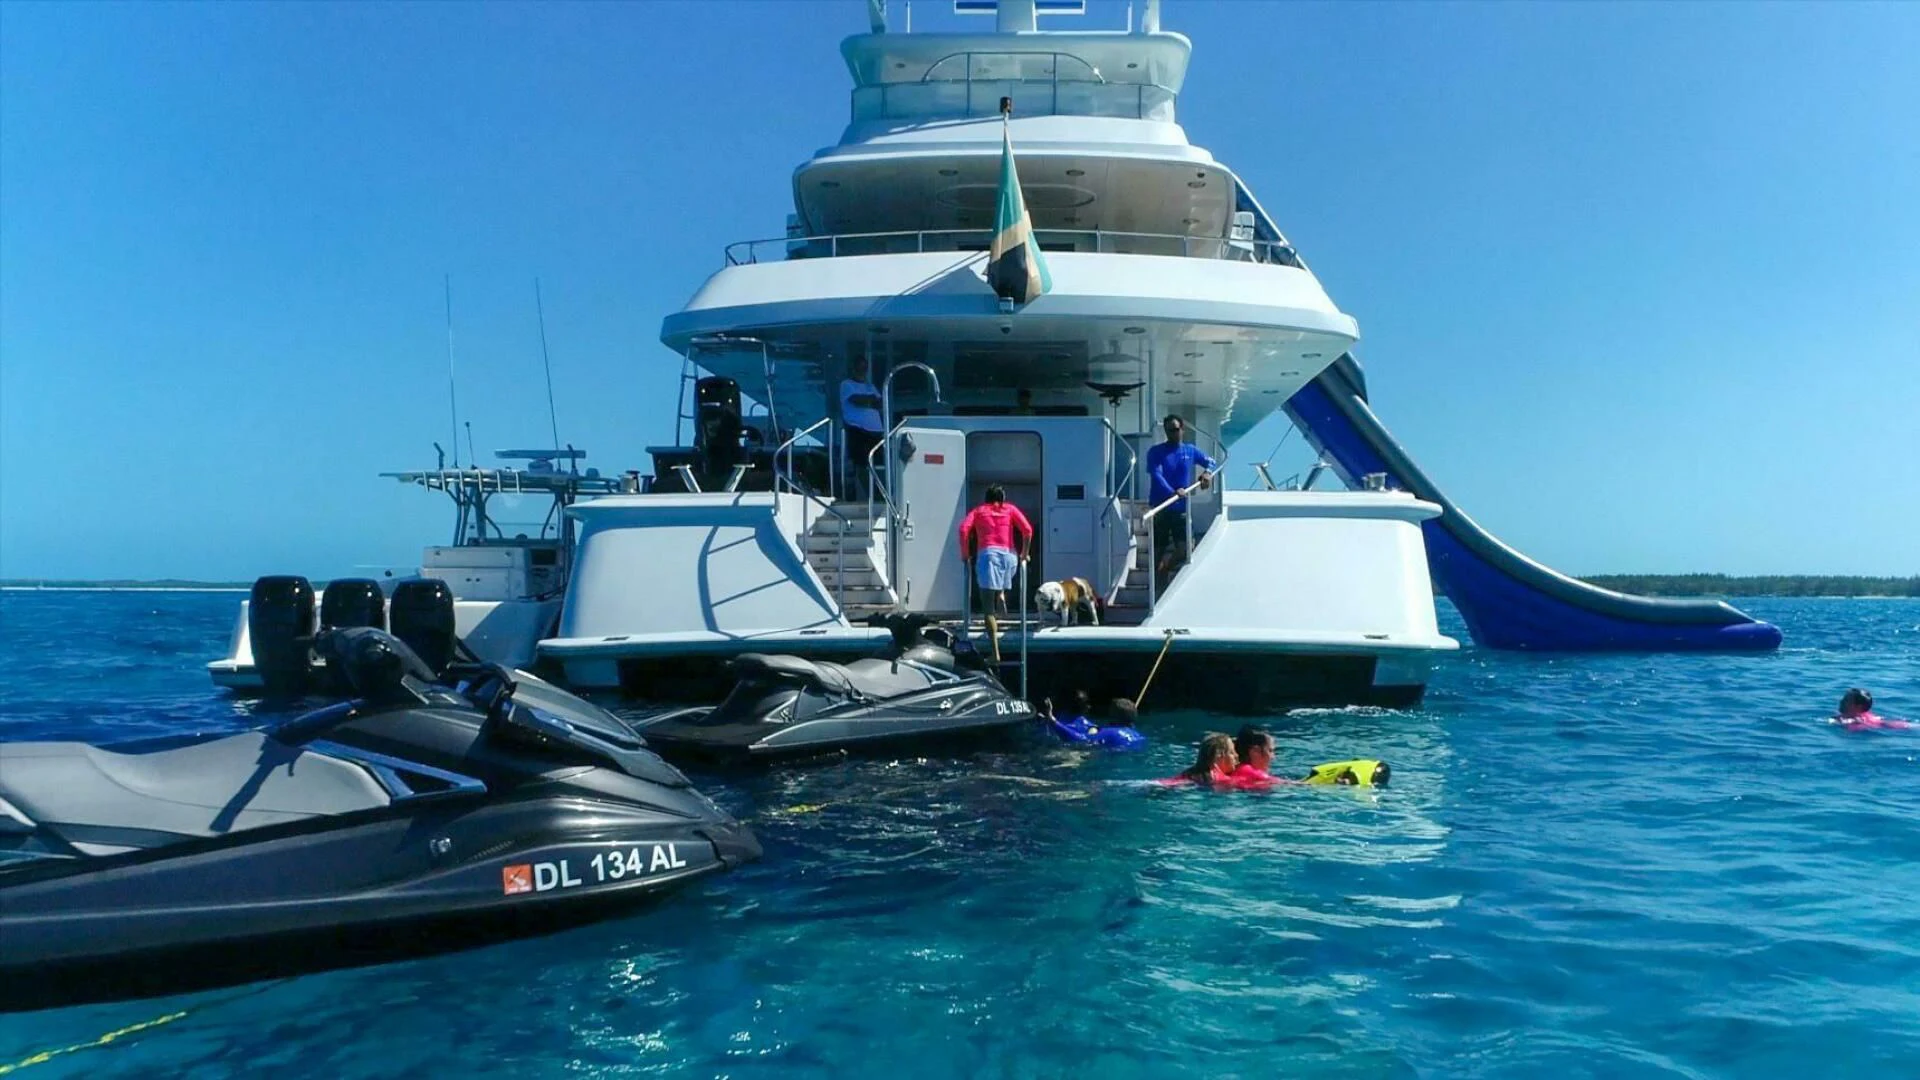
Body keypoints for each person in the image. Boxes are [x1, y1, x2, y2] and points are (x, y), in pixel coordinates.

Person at [1144, 414, 1218, 586]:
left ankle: (1166, 568)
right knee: (1158, 548)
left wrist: (1207, 473)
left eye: (1176, 429)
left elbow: (1210, 462)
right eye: (1169, 430)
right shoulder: (1156, 452)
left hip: (1181, 507)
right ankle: (1155, 585)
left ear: (1182, 429)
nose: (1173, 433)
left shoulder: (1190, 450)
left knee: (1186, 548)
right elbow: (1156, 475)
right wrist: (1172, 492)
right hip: (1161, 505)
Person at [957, 484, 1033, 616]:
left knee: (988, 593)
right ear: (1003, 497)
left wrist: (965, 554)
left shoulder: (978, 511)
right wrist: (1024, 554)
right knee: (1002, 577)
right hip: (1009, 555)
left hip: (988, 554)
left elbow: (963, 530)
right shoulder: (1010, 509)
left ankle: (990, 618)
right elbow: (1027, 530)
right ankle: (1001, 594)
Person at [840, 356, 884, 499]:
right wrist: (869, 399)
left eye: (865, 367)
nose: (862, 370)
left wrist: (869, 400)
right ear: (853, 368)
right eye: (860, 367)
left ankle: (878, 492)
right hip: (858, 431)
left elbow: (879, 403)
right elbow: (856, 400)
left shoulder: (870, 386)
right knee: (861, 465)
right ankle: (872, 495)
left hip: (875, 433)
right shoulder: (846, 384)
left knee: (876, 465)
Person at [1042, 690, 1147, 750]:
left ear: (1115, 716)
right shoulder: (1139, 736)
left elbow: (1081, 739)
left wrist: (1052, 720)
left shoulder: (1109, 732)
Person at [1224, 725, 1294, 789]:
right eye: (1270, 751)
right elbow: (1282, 783)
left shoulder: (1240, 770)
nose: (1273, 757)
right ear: (1255, 751)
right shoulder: (1248, 771)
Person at [1159, 732, 1236, 786]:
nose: (1236, 755)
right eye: (1231, 752)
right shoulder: (1221, 779)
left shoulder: (1189, 773)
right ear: (1219, 756)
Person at [1833, 688, 1911, 731]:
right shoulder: (1866, 716)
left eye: (1846, 700)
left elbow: (1853, 730)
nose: (1841, 701)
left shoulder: (1856, 721)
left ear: (1858, 707)